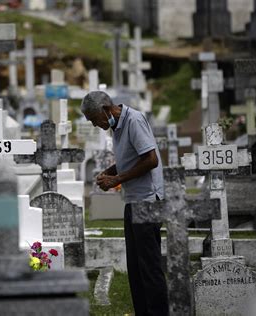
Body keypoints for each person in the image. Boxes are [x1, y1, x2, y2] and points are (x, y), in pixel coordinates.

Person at [81, 91, 169, 316]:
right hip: (133, 201)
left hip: (147, 200)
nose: (94, 124)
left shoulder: (134, 120)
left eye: (93, 119)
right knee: (136, 268)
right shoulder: (117, 127)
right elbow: (129, 161)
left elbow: (150, 160)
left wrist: (116, 180)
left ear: (105, 110)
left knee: (149, 268)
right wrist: (108, 173)